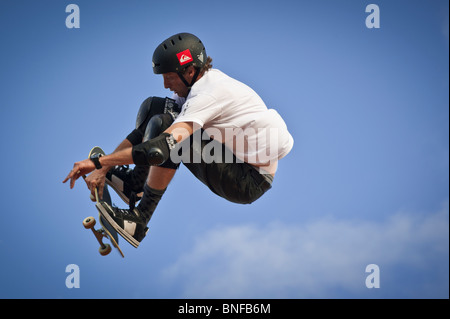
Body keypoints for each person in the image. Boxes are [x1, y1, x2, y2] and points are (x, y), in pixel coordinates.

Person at [63, 33, 294, 248]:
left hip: (248, 179)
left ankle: (138, 222)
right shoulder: (193, 89)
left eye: (169, 77)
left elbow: (161, 149)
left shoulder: (208, 95)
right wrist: (105, 167)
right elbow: (144, 131)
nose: (165, 84)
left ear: (190, 72)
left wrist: (99, 163)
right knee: (155, 107)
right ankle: (134, 185)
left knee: (169, 135)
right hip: (233, 158)